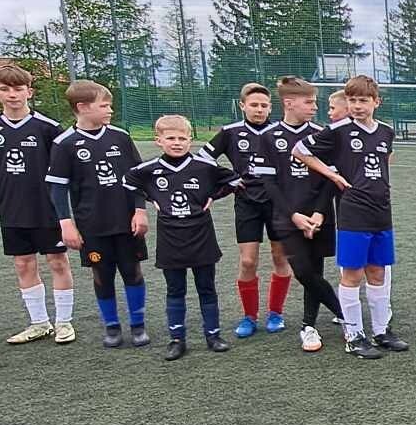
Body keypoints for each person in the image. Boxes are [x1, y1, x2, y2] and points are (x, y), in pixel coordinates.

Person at [295, 74, 407, 358]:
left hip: (381, 211)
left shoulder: (386, 132)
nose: (357, 105)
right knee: (353, 273)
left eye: (363, 100)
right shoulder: (339, 130)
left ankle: (381, 331)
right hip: (353, 212)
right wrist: (332, 174)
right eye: (352, 100)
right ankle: (354, 336)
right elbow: (300, 150)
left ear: (376, 102)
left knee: (378, 271)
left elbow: (385, 160)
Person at [0, 65, 76, 345]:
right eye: (5, 89)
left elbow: (61, 172)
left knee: (58, 262)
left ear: (29, 92)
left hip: (47, 209)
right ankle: (39, 323)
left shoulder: (48, 128)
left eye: (18, 89)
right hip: (11, 210)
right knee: (23, 264)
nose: (12, 95)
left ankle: (64, 322)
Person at [46, 80, 152, 348]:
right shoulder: (64, 143)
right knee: (102, 275)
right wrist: (66, 223)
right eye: (104, 105)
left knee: (133, 271)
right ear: (82, 107)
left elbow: (137, 178)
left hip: (126, 222)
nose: (110, 110)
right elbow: (57, 188)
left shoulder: (120, 137)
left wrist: (140, 210)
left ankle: (138, 325)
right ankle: (112, 327)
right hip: (92, 225)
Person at [128, 115, 242, 360]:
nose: (177, 143)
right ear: (158, 140)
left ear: (190, 140)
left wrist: (213, 195)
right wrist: (150, 198)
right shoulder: (149, 169)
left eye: (182, 138)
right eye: (171, 138)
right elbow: (128, 182)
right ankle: (177, 339)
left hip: (201, 234)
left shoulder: (204, 167)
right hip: (170, 236)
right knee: (175, 289)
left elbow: (235, 180)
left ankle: (213, 335)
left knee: (206, 287)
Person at [206, 83, 293, 338]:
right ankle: (249, 316)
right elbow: (203, 159)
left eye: (264, 105)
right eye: (254, 105)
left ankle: (275, 313)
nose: (259, 110)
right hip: (247, 202)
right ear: (242, 105)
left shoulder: (280, 131)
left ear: (271, 108)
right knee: (248, 261)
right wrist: (230, 177)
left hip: (278, 203)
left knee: (280, 258)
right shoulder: (230, 132)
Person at [270, 76, 345, 352]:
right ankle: (346, 313)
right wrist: (293, 215)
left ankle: (308, 326)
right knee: (302, 271)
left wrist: (319, 212)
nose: (315, 107)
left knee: (315, 269)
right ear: (289, 103)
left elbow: (330, 178)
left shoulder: (322, 134)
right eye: (309, 102)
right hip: (288, 218)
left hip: (318, 216)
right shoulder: (269, 137)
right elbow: (269, 184)